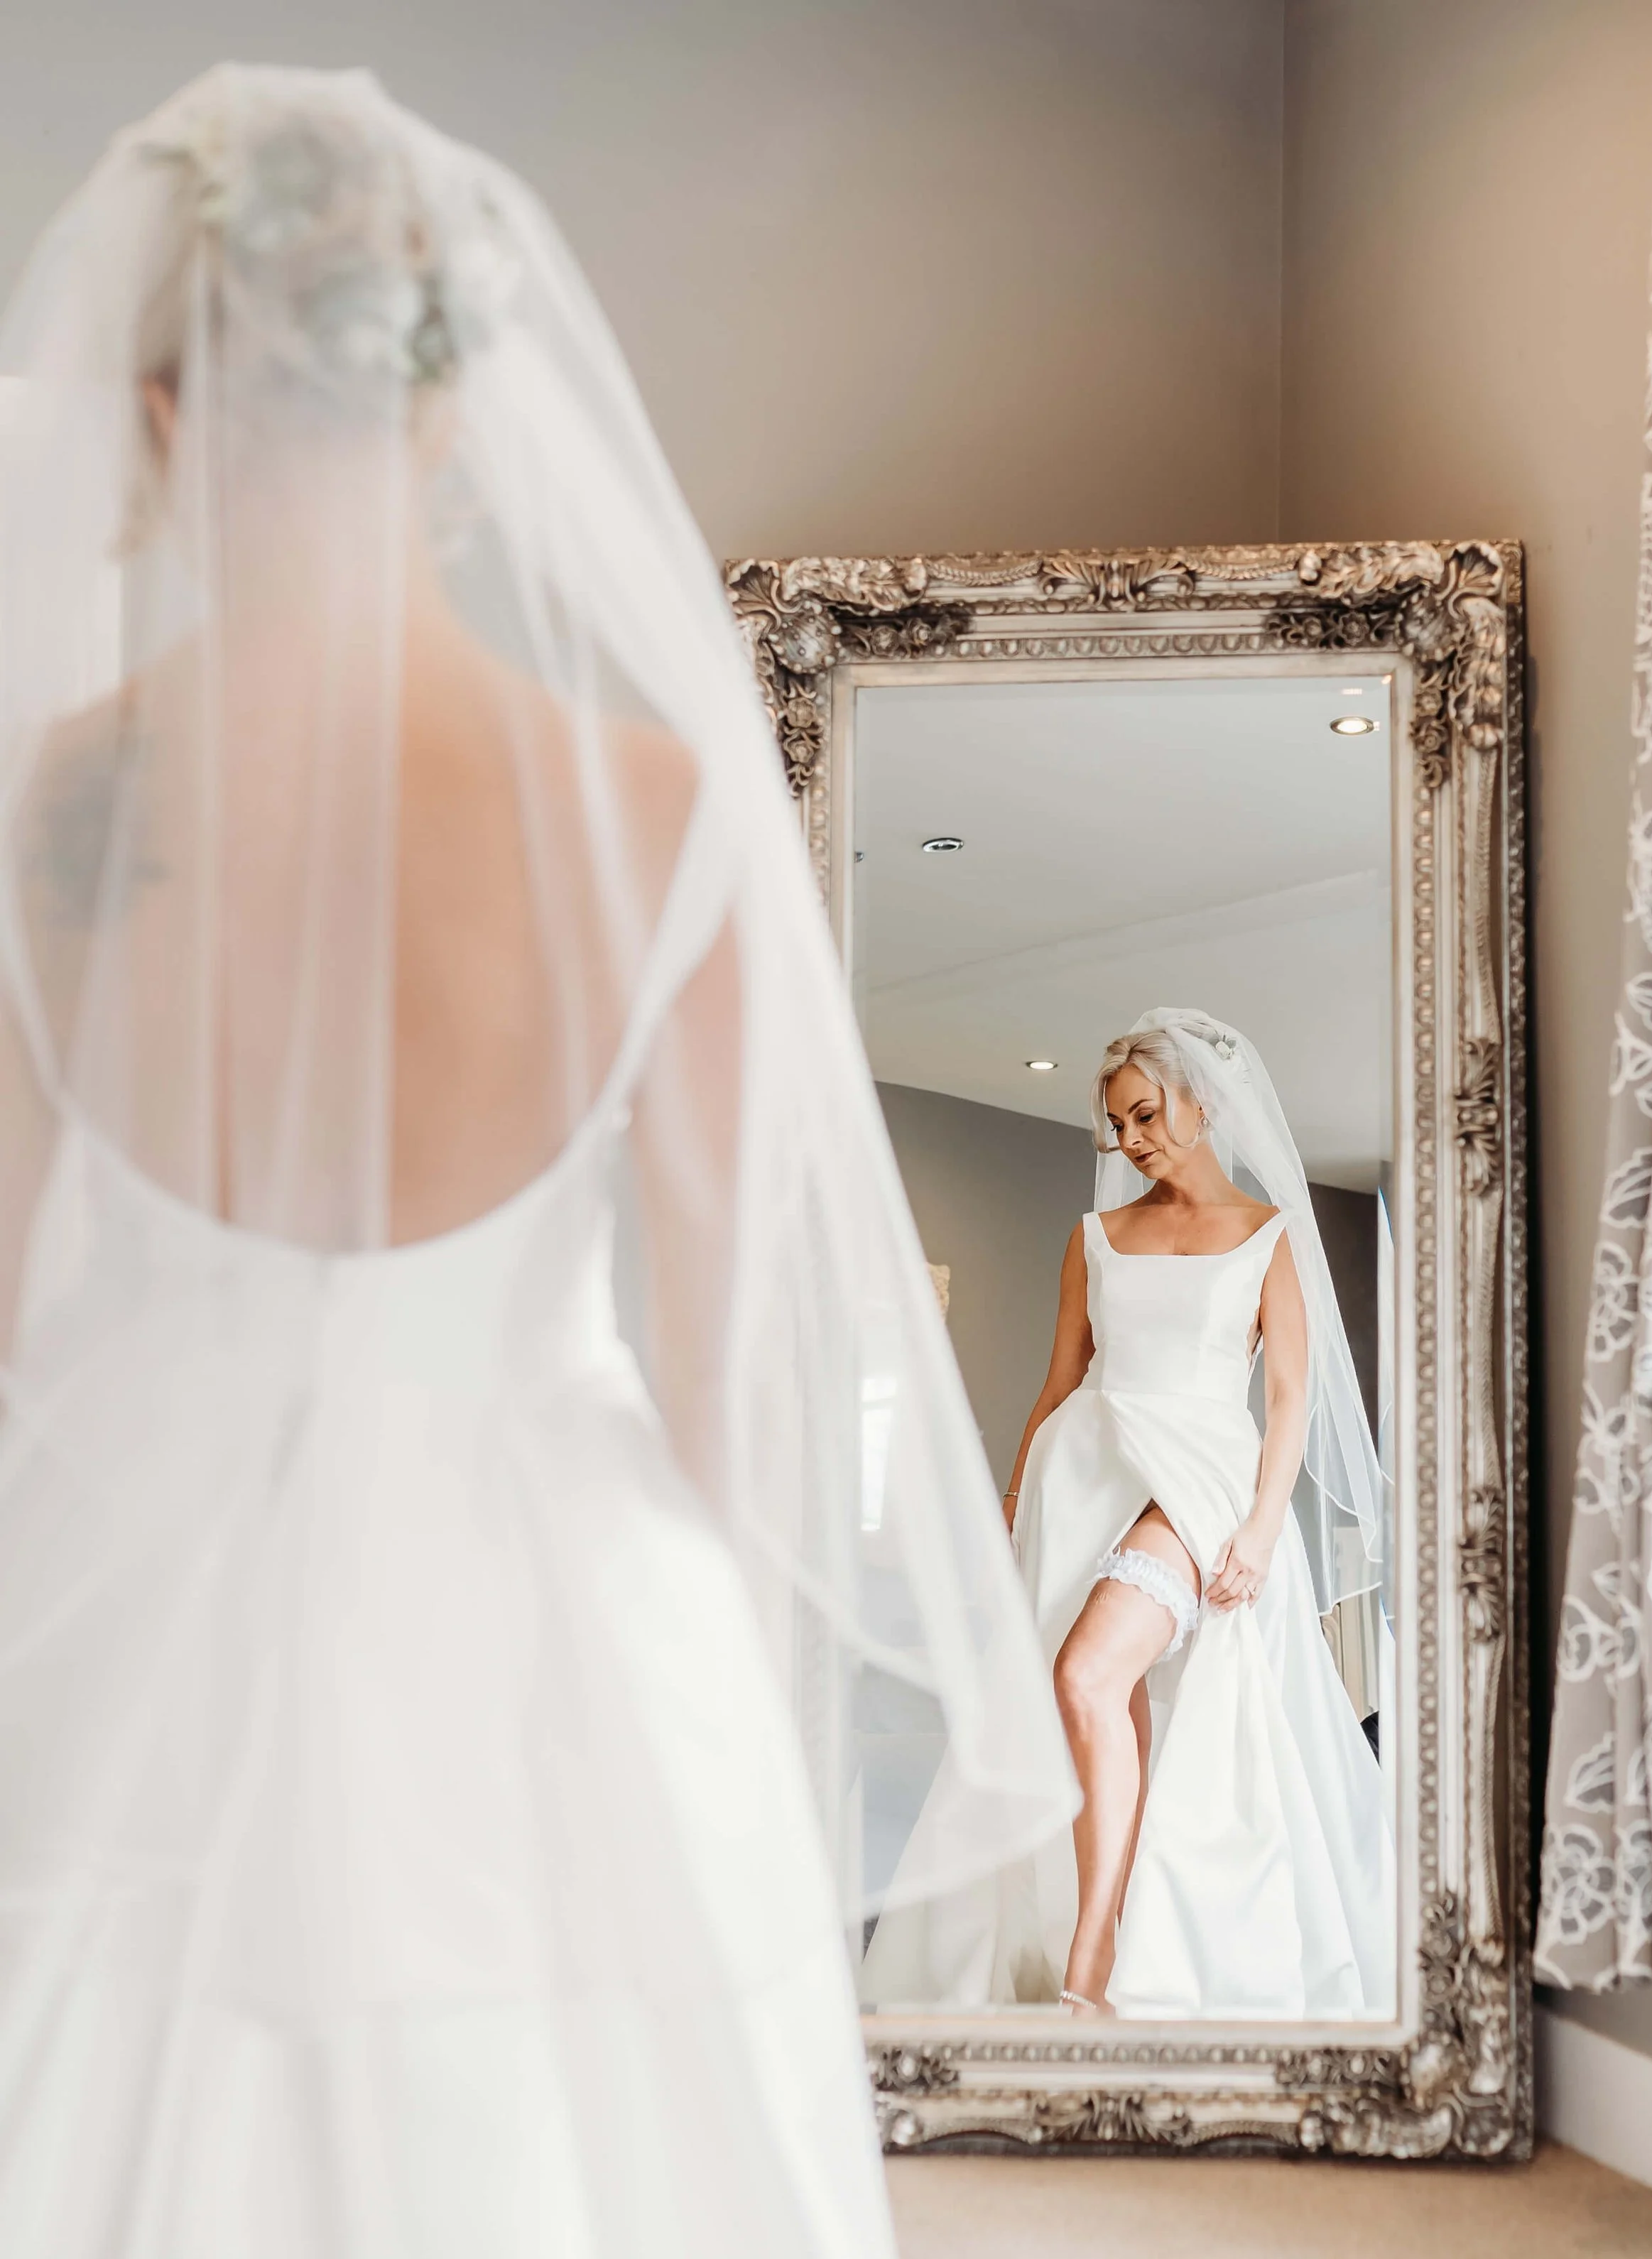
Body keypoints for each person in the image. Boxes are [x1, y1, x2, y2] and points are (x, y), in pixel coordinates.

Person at [0, 67, 1073, 2255]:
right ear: (452, 405)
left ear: (162, 410)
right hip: (552, 1628)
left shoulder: (52, 814)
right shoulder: (652, 812)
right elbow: (720, 1395)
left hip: (141, 1640)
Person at [861, 1008, 1393, 2020]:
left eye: (1146, 1115)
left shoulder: (1270, 1239)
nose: (1133, 1140)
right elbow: (1060, 1383)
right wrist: (1014, 1505)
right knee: (1091, 1701)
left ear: (1202, 1102)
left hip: (1200, 1484)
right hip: (1085, 1477)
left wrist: (1265, 1527)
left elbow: (1289, 1399)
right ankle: (1095, 1923)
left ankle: (1096, 1951)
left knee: (1086, 1673)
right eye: (1118, 1125)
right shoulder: (1095, 1237)